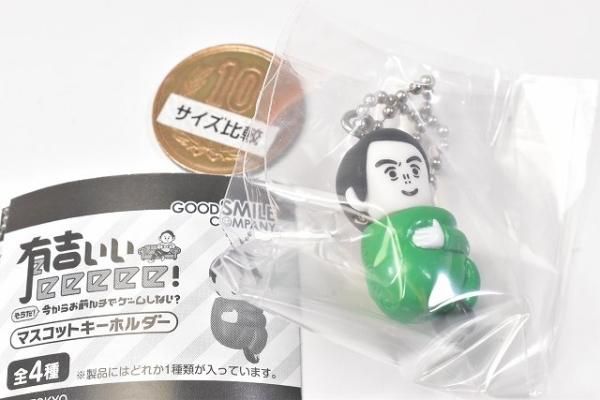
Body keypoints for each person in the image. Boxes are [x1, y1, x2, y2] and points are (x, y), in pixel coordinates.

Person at [336, 128, 480, 323]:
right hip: (403, 300)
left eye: (414, 170)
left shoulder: (441, 220)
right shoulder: (377, 235)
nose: (407, 177)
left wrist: (445, 238)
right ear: (356, 199)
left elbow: (463, 244)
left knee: (468, 272)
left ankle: (458, 308)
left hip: (456, 286)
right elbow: (376, 268)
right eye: (392, 172)